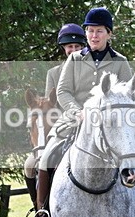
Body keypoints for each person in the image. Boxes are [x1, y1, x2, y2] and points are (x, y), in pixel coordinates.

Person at [28, 7, 135, 217]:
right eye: (90, 31)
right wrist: (77, 111)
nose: (93, 35)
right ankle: (42, 213)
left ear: (109, 33)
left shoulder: (120, 61)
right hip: (76, 118)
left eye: (99, 31)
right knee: (47, 155)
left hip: (111, 121)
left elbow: (128, 93)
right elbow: (63, 91)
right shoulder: (74, 59)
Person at [23, 24, 87, 205]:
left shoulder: (91, 69)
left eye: (77, 46)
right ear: (64, 49)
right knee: (29, 165)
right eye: (69, 47)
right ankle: (39, 208)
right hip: (63, 125)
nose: (73, 49)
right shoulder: (54, 73)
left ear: (82, 47)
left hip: (88, 121)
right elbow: (49, 105)